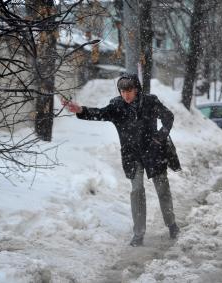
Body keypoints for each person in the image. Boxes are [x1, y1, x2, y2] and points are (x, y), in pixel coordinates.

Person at [62, 73, 181, 247]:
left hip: (154, 153)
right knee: (137, 191)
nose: (126, 95)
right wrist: (80, 110)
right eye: (122, 91)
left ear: (137, 89)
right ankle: (138, 234)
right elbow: (100, 113)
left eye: (129, 90)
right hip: (132, 156)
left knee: (163, 189)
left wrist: (160, 136)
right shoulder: (117, 106)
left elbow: (168, 117)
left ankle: (171, 224)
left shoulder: (150, 102)